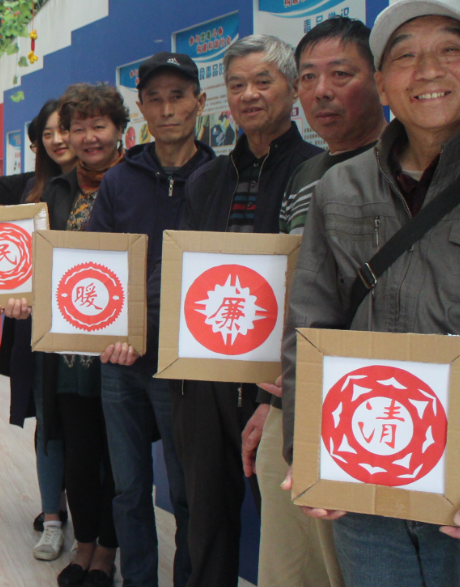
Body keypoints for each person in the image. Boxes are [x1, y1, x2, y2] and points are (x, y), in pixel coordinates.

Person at [283, 0, 460, 586]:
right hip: (364, 477)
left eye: (450, 50)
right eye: (406, 55)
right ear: (384, 84)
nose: (428, 70)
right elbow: (310, 323)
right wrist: (307, 448)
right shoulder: (341, 188)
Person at [242, 17, 383, 587]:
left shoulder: (406, 169)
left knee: (350, 563)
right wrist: (267, 403)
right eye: (308, 77)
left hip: (368, 403)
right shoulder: (305, 174)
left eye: (341, 74)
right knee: (288, 564)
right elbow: (291, 292)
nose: (321, 91)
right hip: (292, 404)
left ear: (379, 79)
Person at [176, 34, 322, 587]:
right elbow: (182, 273)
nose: (249, 95)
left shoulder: (318, 171)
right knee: (205, 518)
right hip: (207, 373)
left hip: (277, 380)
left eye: (263, 81)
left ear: (293, 88)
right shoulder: (207, 179)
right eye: (236, 85)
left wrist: (277, 388)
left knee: (286, 528)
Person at [0, 83, 125, 584]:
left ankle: (107, 550)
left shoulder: (132, 184)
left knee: (114, 453)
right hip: (61, 348)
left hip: (117, 345)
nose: (78, 138)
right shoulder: (49, 192)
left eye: (94, 126)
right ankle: (78, 540)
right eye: (71, 129)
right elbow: (23, 263)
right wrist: (13, 294)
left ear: (120, 130)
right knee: (68, 443)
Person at [90, 52, 213, 587]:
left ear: (199, 102)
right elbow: (95, 262)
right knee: (130, 488)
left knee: (186, 491)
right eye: (155, 99)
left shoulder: (219, 177)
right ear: (140, 108)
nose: (167, 110)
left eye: (178, 97)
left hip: (189, 361)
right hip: (122, 360)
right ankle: (138, 579)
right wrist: (112, 330)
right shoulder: (120, 181)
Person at [0, 92, 76, 555]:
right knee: (48, 418)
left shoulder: (111, 188)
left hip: (89, 327)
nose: (58, 140)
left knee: (85, 425)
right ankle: (52, 515)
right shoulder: (29, 190)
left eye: (66, 129)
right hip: (36, 327)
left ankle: (88, 520)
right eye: (47, 133)